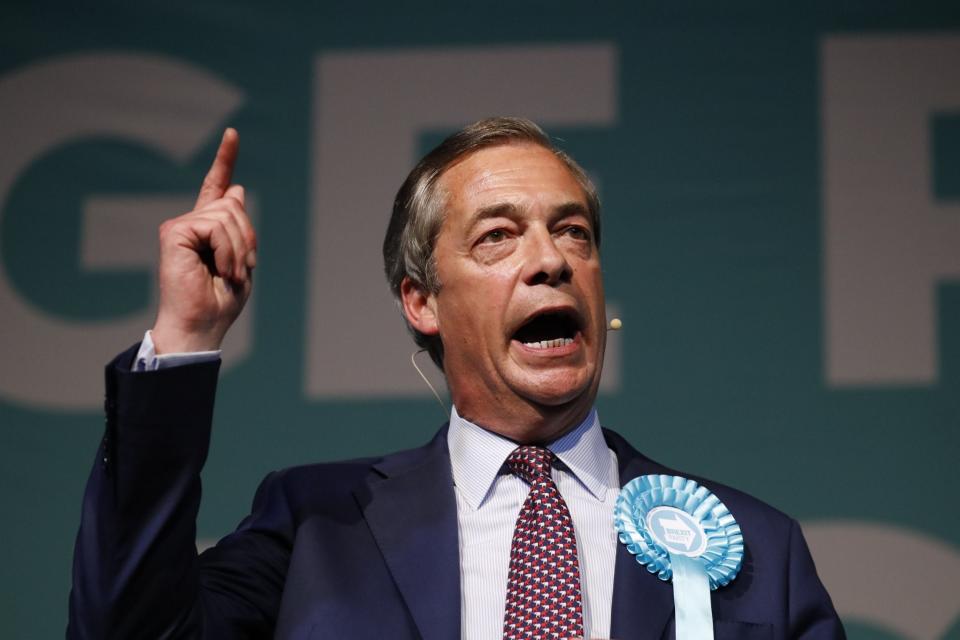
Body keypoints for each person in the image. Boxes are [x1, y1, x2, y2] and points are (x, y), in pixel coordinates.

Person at [68, 118, 845, 639]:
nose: (551, 260)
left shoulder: (755, 550)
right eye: (499, 236)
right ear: (421, 300)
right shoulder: (316, 526)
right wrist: (186, 337)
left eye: (572, 231)